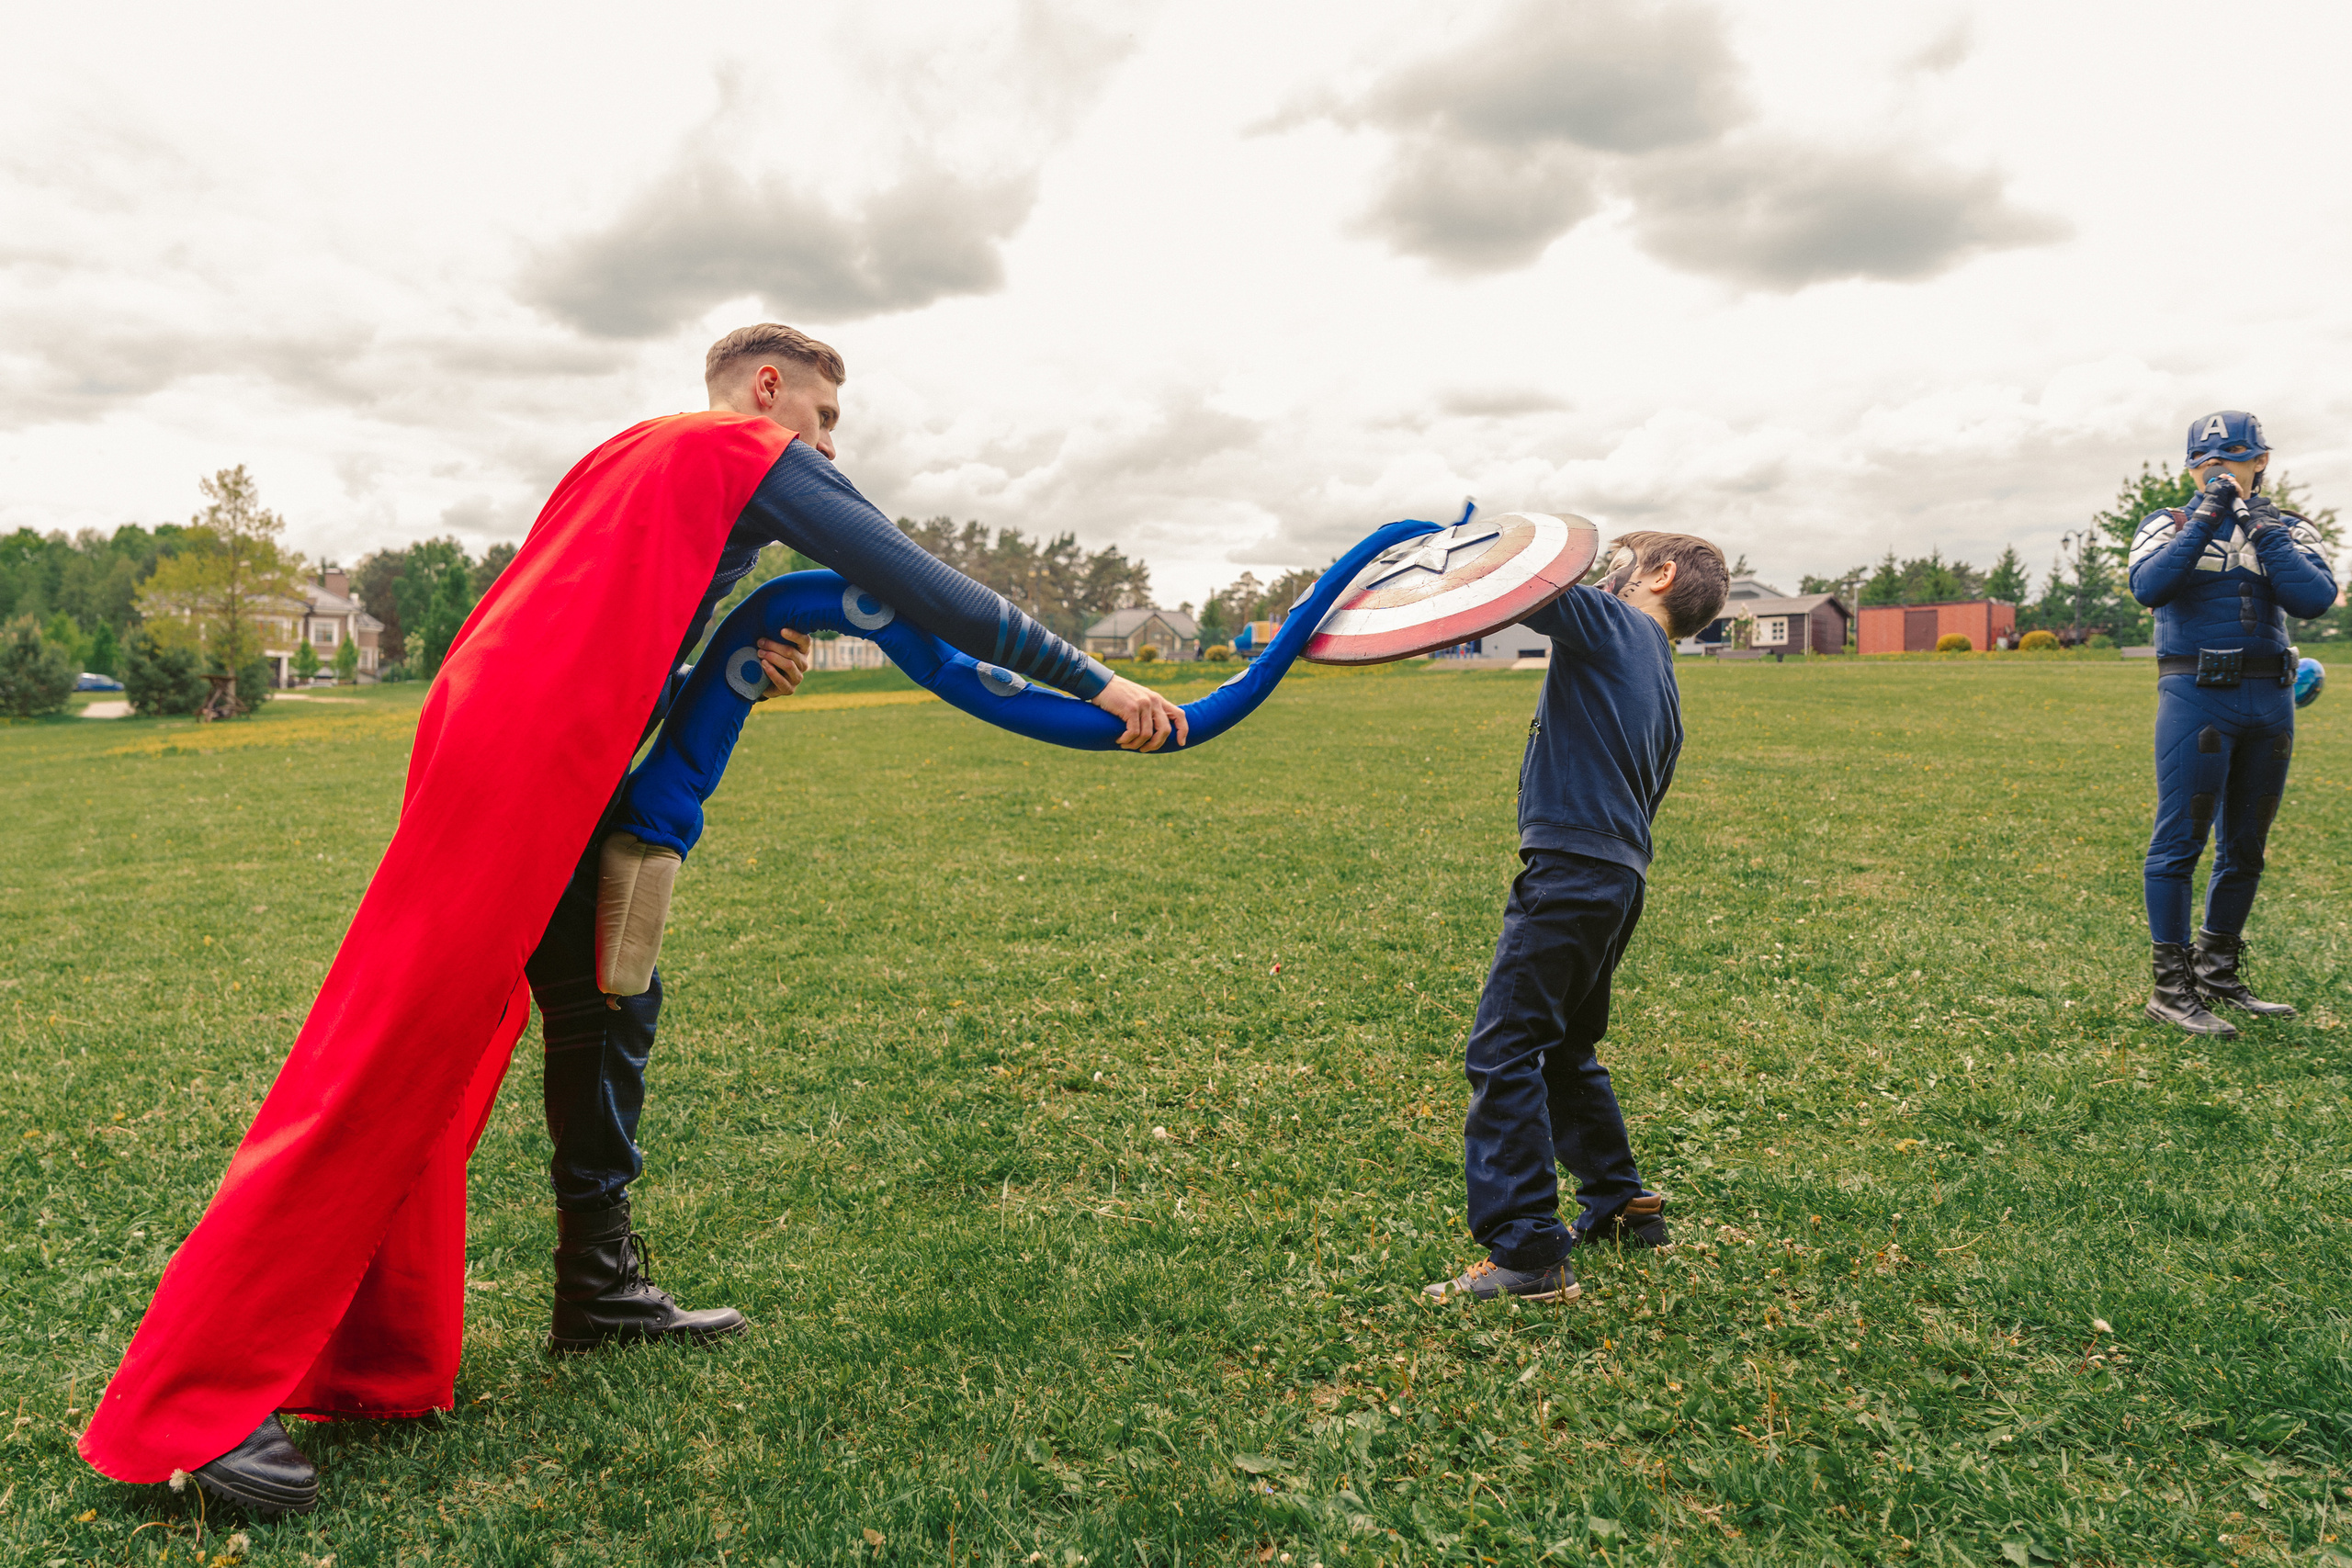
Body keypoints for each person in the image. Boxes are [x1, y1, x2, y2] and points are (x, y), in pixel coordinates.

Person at [81, 323, 1186, 1515]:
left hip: (541, 743)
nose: (826, 450)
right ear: (770, 390)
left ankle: (596, 1287)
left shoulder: (637, 460)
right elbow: (919, 581)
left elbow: (608, 644)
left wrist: (732, 661)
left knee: (607, 990)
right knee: (394, 1044)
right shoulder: (732, 449)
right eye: (824, 422)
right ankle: (187, 1410)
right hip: (524, 753)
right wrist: (1101, 680)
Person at [1425, 532, 1729, 1303]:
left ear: (1659, 577)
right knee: (1564, 1047)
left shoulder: (1617, 625)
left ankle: (1528, 1252)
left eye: (1621, 565)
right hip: (1620, 878)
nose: (1606, 576)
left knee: (1504, 1047)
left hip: (1571, 872)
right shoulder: (1665, 679)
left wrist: (1457, 550)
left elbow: (1528, 586)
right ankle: (1621, 1203)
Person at [2129, 411, 2335, 1037]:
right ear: (2190, 467)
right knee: (2180, 840)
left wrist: (2260, 526)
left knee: (2245, 846)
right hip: (2197, 695)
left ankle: (2218, 970)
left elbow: (2313, 598)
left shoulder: (2292, 531)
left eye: (2233, 456)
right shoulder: (2169, 524)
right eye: (2204, 460)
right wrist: (2214, 512)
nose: (2217, 468)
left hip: (2269, 700)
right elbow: (2152, 585)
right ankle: (2171, 987)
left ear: (2260, 461)